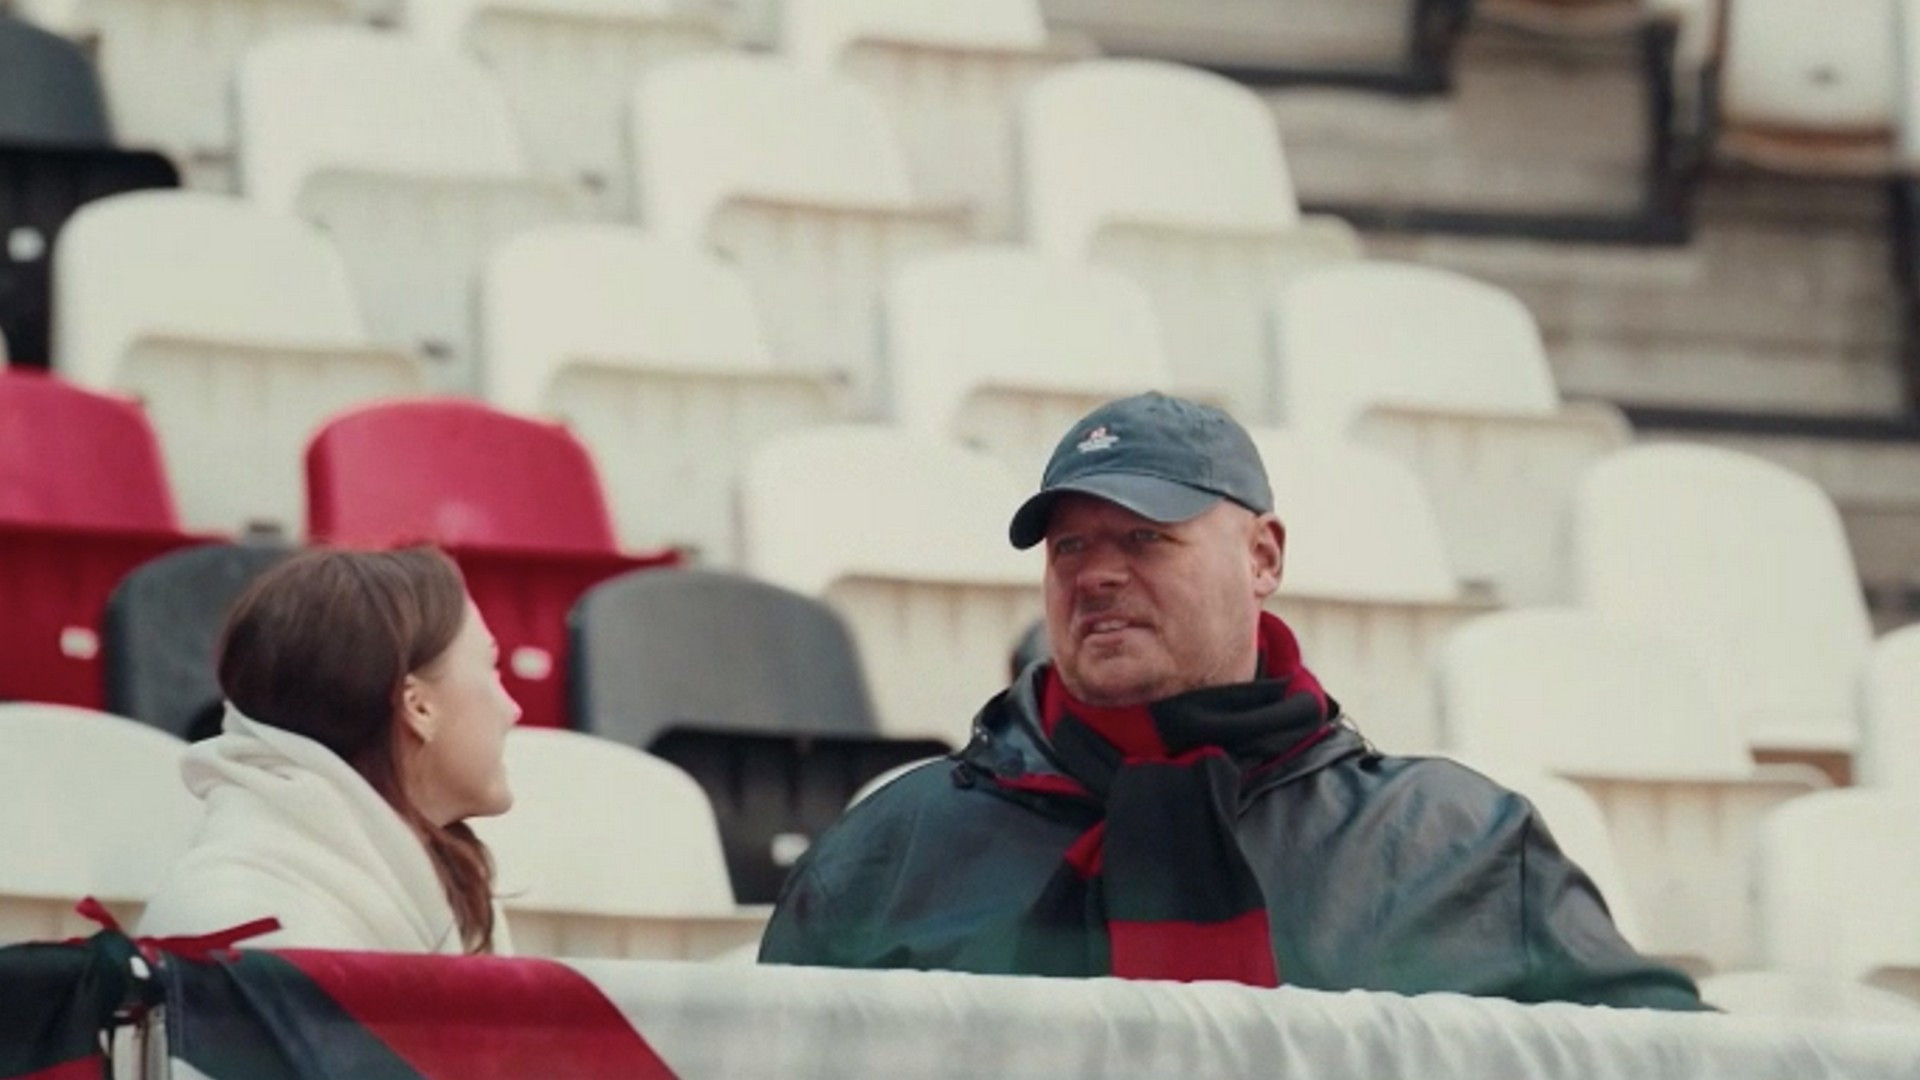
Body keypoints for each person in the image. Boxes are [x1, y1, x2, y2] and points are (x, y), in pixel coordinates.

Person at [760, 392, 1704, 1009]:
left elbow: (1672, 1059)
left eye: (1144, 537)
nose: (1096, 574)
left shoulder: (1452, 847)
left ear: (1264, 557)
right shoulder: (896, 850)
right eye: (1069, 547)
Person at [138, 546, 522, 954]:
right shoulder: (245, 918)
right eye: (491, 667)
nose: (512, 710)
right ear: (418, 706)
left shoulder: (448, 884)